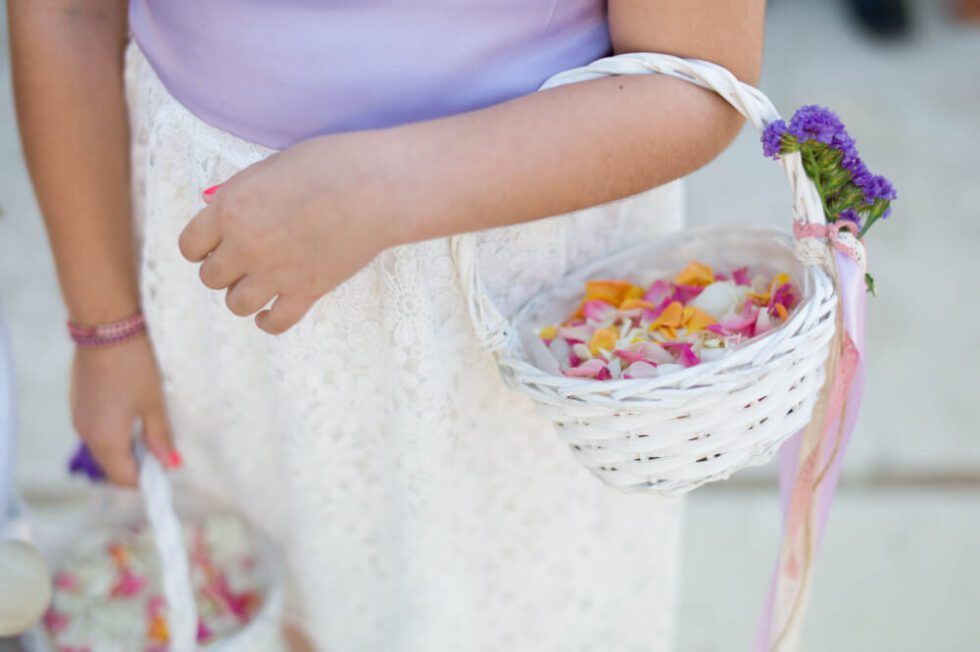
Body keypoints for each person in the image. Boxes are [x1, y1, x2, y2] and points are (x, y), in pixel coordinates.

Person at [8, 1, 763, 650]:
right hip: (216, 275)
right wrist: (105, 326)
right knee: (281, 591)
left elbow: (697, 77)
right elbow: (70, 11)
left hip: (499, 293)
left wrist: (382, 192)